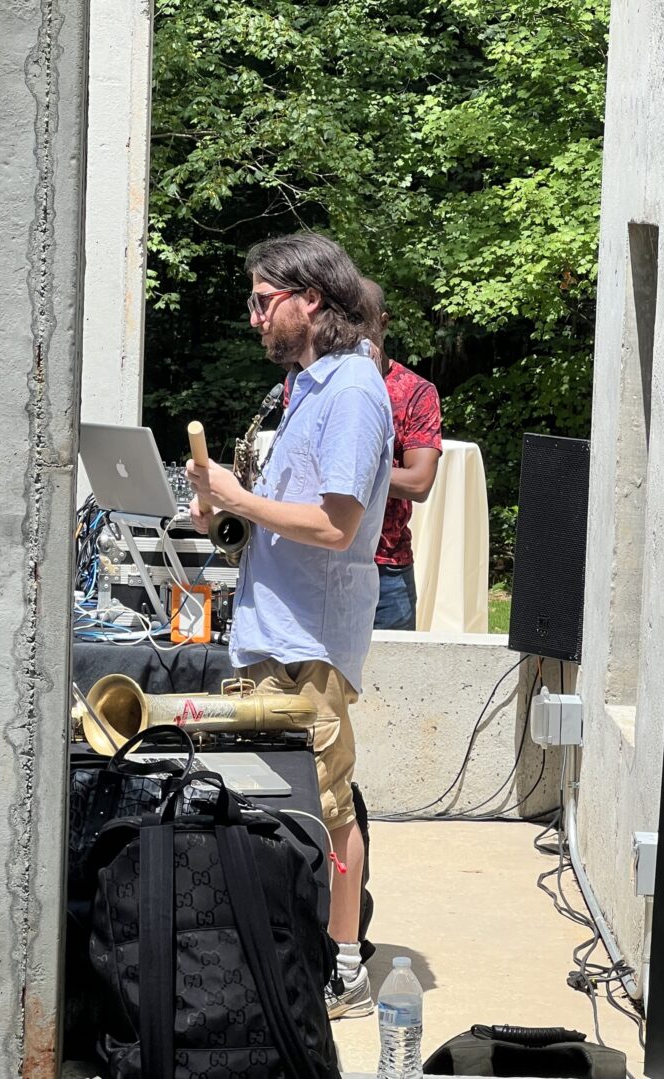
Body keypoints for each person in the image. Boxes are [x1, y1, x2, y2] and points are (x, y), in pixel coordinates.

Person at [186, 232, 394, 1019]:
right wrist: (220, 511)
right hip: (271, 629)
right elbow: (274, 521)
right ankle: (287, 945)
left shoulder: (349, 390)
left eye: (262, 300)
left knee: (328, 804)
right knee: (269, 803)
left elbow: (336, 525)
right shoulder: (302, 387)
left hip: (311, 635)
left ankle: (343, 967)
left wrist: (238, 496)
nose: (252, 317)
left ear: (311, 299)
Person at [362, 278, 442, 631]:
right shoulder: (309, 383)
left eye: (361, 321)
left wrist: (346, 471)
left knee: (389, 685)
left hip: (386, 566)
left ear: (383, 322)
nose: (353, 332)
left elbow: (420, 482)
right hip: (324, 561)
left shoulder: (415, 392)